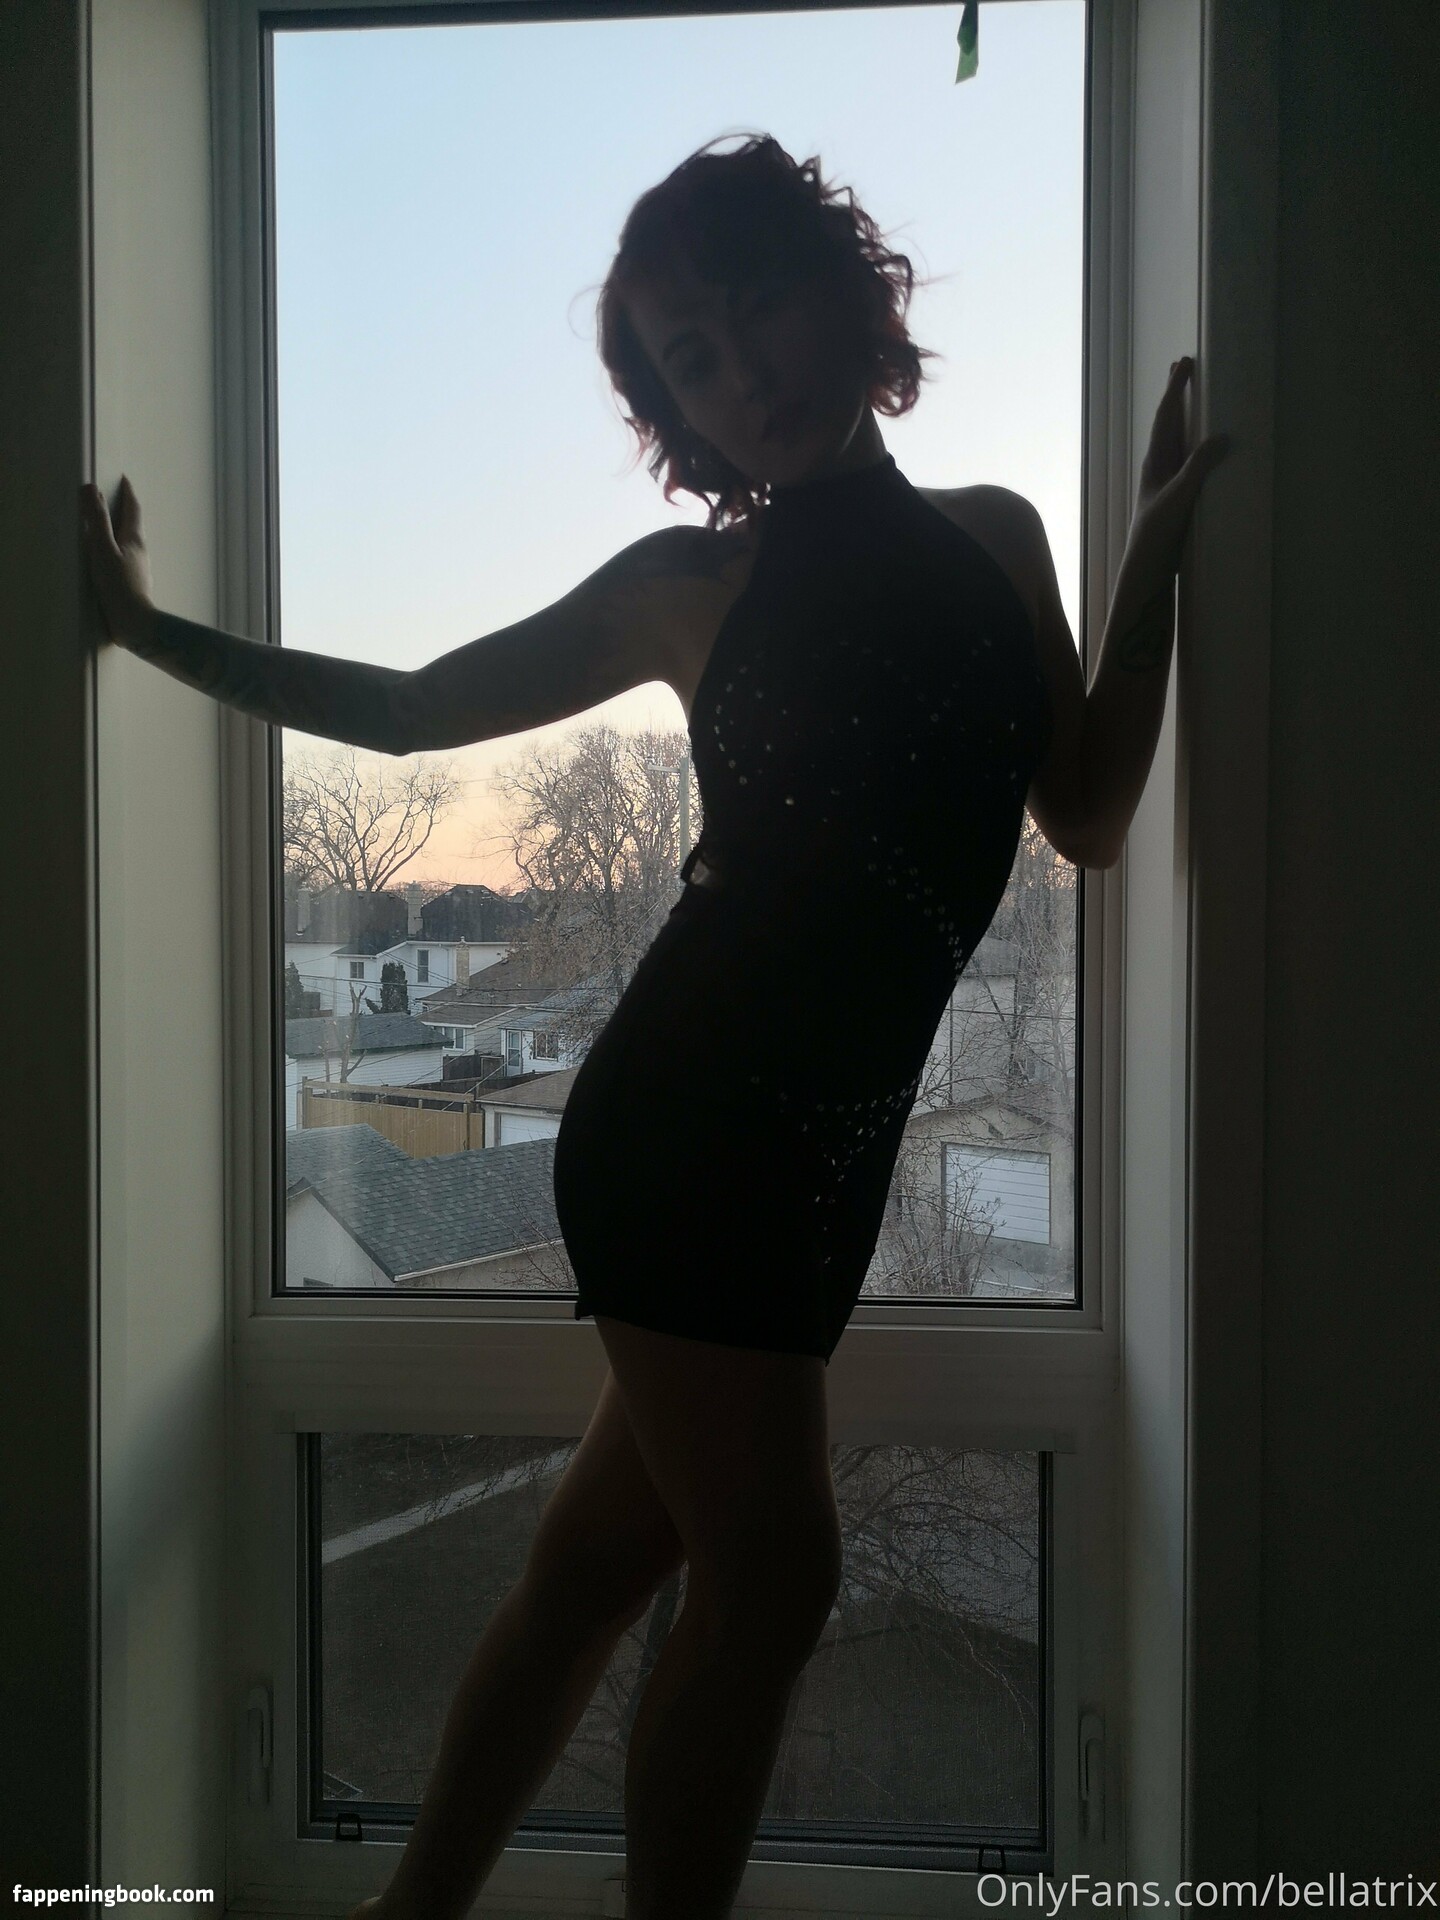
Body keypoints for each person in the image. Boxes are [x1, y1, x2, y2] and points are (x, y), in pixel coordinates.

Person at [80, 131, 1230, 1920]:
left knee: (595, 1571)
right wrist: (148, 635)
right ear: (676, 415)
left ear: (845, 293)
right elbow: (409, 708)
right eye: (693, 356)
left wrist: (1152, 555)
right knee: (772, 1585)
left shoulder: (999, 539)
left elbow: (1084, 812)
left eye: (756, 305)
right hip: (689, 1134)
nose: (743, 370)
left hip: (820, 1166)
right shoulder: (696, 586)